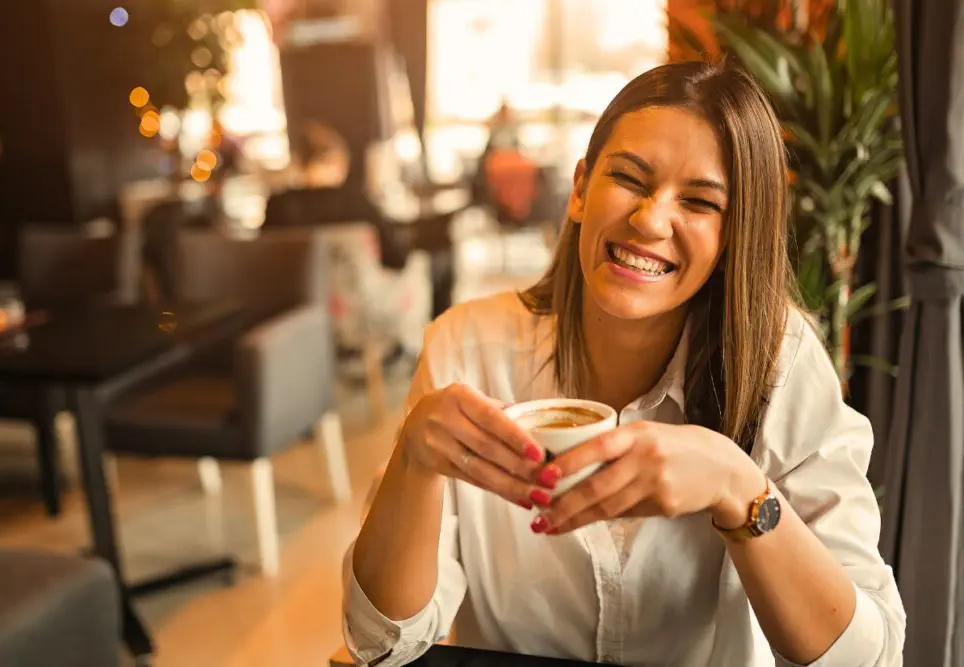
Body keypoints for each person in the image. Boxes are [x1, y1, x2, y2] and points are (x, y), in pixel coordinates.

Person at [343, 61, 906, 667]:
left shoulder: (781, 363)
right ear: (581, 188)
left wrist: (736, 485)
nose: (649, 219)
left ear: (735, 233)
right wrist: (414, 462)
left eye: (699, 202)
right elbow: (381, 643)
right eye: (630, 179)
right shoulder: (467, 348)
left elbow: (867, 656)